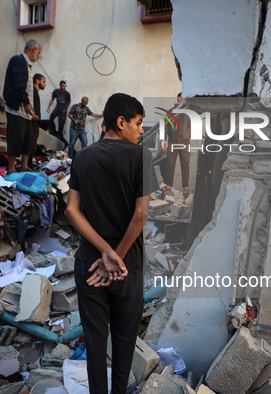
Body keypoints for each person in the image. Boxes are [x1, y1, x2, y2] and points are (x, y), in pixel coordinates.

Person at [65, 93, 158, 394]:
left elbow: (71, 211)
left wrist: (102, 252)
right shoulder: (141, 156)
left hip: (88, 265)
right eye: (139, 123)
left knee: (94, 342)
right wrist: (114, 257)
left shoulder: (82, 156)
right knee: (124, 341)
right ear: (120, 122)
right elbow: (140, 215)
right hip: (126, 268)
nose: (141, 130)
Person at [2, 39, 42, 174]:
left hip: (25, 111)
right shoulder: (18, 60)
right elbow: (19, 86)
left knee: (29, 139)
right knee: (15, 138)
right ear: (34, 49)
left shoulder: (27, 65)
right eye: (39, 52)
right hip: (16, 109)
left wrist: (29, 106)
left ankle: (24, 166)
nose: (39, 56)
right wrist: (26, 103)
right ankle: (12, 168)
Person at [163, 92, 191, 198]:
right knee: (170, 163)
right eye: (182, 97)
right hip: (172, 141)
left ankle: (185, 187)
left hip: (185, 141)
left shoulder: (189, 111)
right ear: (178, 98)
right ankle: (169, 185)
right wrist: (164, 139)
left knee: (185, 164)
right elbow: (165, 125)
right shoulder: (171, 111)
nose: (184, 98)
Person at [31, 73, 51, 163]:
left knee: (33, 143)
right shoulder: (32, 92)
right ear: (37, 81)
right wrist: (32, 114)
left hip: (35, 122)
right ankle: (28, 164)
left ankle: (29, 163)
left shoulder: (35, 92)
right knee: (31, 144)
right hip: (32, 122)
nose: (45, 84)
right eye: (44, 82)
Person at [47, 80, 70, 149]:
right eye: (63, 86)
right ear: (60, 85)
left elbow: (69, 101)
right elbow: (52, 99)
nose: (64, 87)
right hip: (57, 108)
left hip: (63, 111)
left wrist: (66, 108)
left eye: (65, 86)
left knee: (61, 125)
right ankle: (50, 129)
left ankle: (59, 138)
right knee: (51, 117)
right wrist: (49, 107)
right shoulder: (56, 91)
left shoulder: (67, 94)